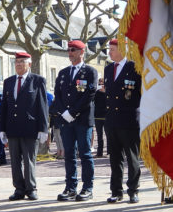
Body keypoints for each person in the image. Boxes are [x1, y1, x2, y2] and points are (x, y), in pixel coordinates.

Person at [0, 52, 49, 201]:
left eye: (22, 61)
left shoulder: (37, 80)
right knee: (14, 161)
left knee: (29, 161)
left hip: (30, 127)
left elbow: (42, 105)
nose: (19, 64)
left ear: (29, 63)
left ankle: (31, 188)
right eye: (16, 62)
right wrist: (3, 128)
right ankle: (19, 189)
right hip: (12, 127)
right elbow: (5, 107)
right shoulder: (8, 82)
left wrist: (44, 128)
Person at [54, 40, 98, 202]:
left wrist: (73, 112)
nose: (69, 53)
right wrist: (64, 112)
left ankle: (87, 187)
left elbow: (89, 95)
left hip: (82, 120)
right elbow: (57, 94)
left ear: (81, 52)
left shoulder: (90, 72)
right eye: (68, 50)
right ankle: (70, 187)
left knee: (85, 154)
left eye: (73, 50)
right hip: (66, 120)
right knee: (69, 155)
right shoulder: (64, 72)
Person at [104, 39, 141, 204]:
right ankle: (116, 191)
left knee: (132, 158)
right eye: (109, 49)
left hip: (128, 121)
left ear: (122, 50)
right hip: (112, 120)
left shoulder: (135, 68)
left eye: (112, 49)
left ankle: (133, 190)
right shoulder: (108, 69)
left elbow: (140, 94)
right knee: (115, 158)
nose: (109, 52)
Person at [94, 78, 108, 157]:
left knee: (108, 135)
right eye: (99, 84)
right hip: (98, 116)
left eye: (102, 84)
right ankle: (99, 153)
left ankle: (109, 152)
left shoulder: (108, 93)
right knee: (99, 136)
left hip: (106, 116)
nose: (101, 86)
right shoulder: (96, 93)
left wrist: (105, 92)